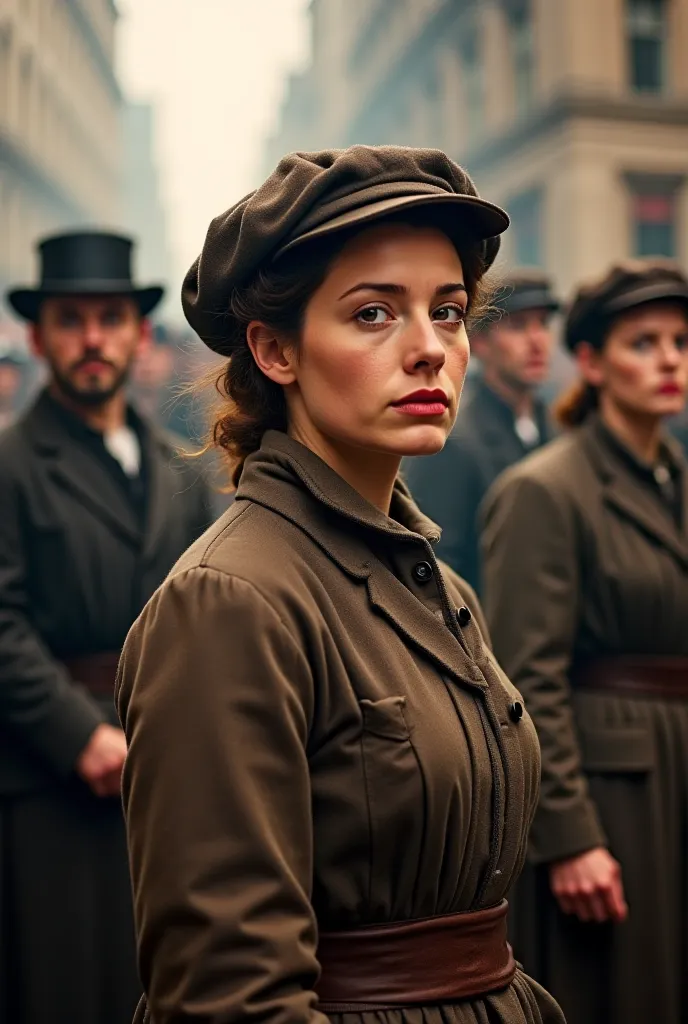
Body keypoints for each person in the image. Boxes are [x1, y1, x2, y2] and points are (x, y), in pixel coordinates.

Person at [116, 147, 565, 1024]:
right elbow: (228, 995)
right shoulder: (230, 601)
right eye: (373, 314)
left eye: (448, 311)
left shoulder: (441, 586)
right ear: (275, 349)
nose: (430, 349)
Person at [0, 230, 213, 1024]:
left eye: (110, 318)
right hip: (46, 780)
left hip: (159, 766)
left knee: (154, 982)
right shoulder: (12, 464)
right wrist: (78, 735)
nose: (93, 339)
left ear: (135, 331)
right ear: (40, 335)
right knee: (63, 984)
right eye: (72, 319)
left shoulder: (176, 465)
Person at [480, 259, 688, 1024]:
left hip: (676, 770)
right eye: (643, 343)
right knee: (620, 992)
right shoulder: (546, 489)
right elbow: (527, 682)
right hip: (612, 788)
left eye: (680, 341)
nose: (669, 360)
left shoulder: (676, 478)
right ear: (592, 363)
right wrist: (567, 835)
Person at [403, 271, 559, 591]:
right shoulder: (456, 440)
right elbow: (438, 564)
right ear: (480, 342)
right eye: (518, 326)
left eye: (543, 324)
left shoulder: (558, 427)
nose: (537, 341)